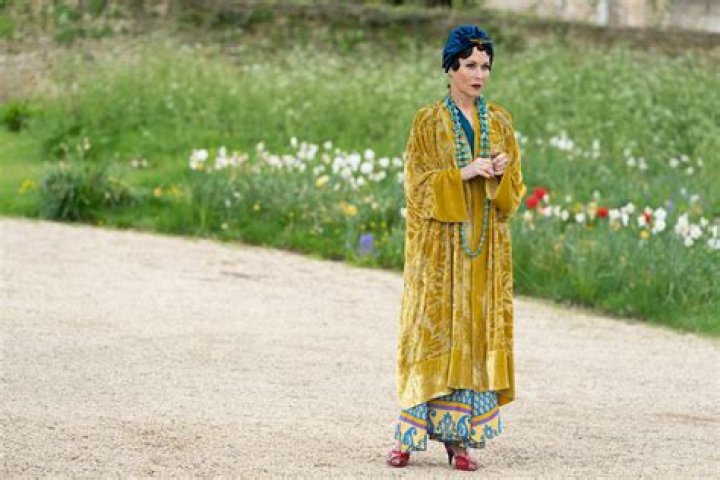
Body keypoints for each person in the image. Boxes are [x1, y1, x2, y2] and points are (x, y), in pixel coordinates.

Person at [386, 25, 527, 471]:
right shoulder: (427, 122)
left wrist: (501, 174)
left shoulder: (500, 121)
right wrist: (462, 174)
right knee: (430, 331)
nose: (479, 74)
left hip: (483, 251)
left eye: (485, 66)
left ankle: (459, 441)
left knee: (472, 335)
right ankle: (408, 435)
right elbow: (416, 187)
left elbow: (514, 193)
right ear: (450, 68)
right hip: (438, 253)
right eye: (469, 65)